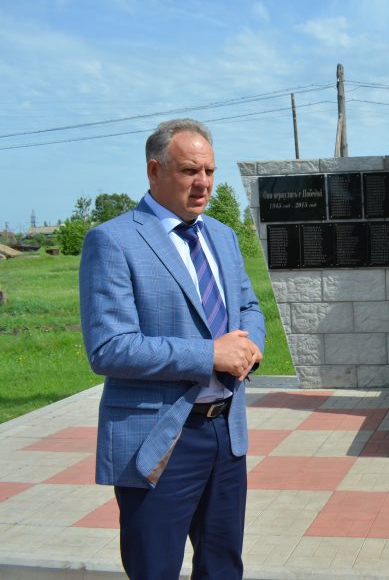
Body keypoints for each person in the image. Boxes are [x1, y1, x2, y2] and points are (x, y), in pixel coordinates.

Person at [79, 118, 265, 579]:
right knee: (154, 568)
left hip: (226, 434)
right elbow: (110, 347)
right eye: (188, 171)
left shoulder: (220, 235)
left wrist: (249, 345)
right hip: (158, 439)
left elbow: (247, 304)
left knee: (223, 567)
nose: (202, 183)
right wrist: (210, 355)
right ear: (154, 170)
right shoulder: (114, 240)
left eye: (209, 171)